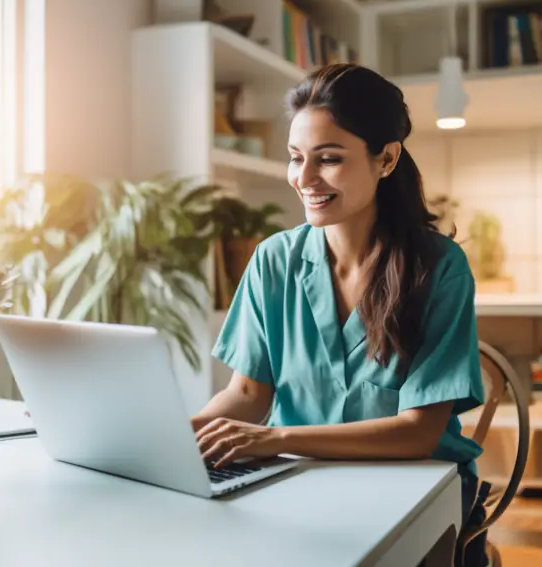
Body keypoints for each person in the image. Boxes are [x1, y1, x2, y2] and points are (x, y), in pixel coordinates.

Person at [190, 62, 485, 537]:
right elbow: (247, 395)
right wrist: (170, 439)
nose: (304, 178)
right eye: (295, 157)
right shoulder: (274, 259)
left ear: (386, 159)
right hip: (302, 479)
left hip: (417, 488)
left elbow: (418, 432)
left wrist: (273, 439)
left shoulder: (439, 266)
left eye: (327, 158)